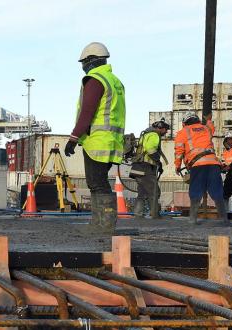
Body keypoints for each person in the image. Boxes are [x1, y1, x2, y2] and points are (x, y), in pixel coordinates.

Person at [63, 42, 126, 234]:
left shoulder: (95, 80)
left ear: (90, 61)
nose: (83, 66)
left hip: (97, 141)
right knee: (99, 182)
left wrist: (73, 137)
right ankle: (99, 223)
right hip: (111, 141)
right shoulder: (114, 81)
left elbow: (87, 112)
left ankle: (104, 225)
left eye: (83, 62)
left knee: (97, 184)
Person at [173, 113, 232, 225]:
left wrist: (177, 165)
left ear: (184, 123)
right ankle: (224, 219)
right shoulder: (206, 128)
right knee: (217, 191)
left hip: (197, 165)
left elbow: (179, 151)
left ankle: (193, 219)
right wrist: (209, 120)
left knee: (196, 191)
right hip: (213, 164)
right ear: (198, 121)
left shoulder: (183, 132)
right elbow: (212, 129)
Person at [131, 119, 170, 218]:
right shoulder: (154, 135)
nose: (166, 132)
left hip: (137, 167)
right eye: (165, 130)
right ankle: (155, 214)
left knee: (142, 193)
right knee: (154, 191)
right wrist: (158, 161)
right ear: (160, 128)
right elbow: (150, 149)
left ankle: (138, 214)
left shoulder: (146, 134)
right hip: (145, 168)